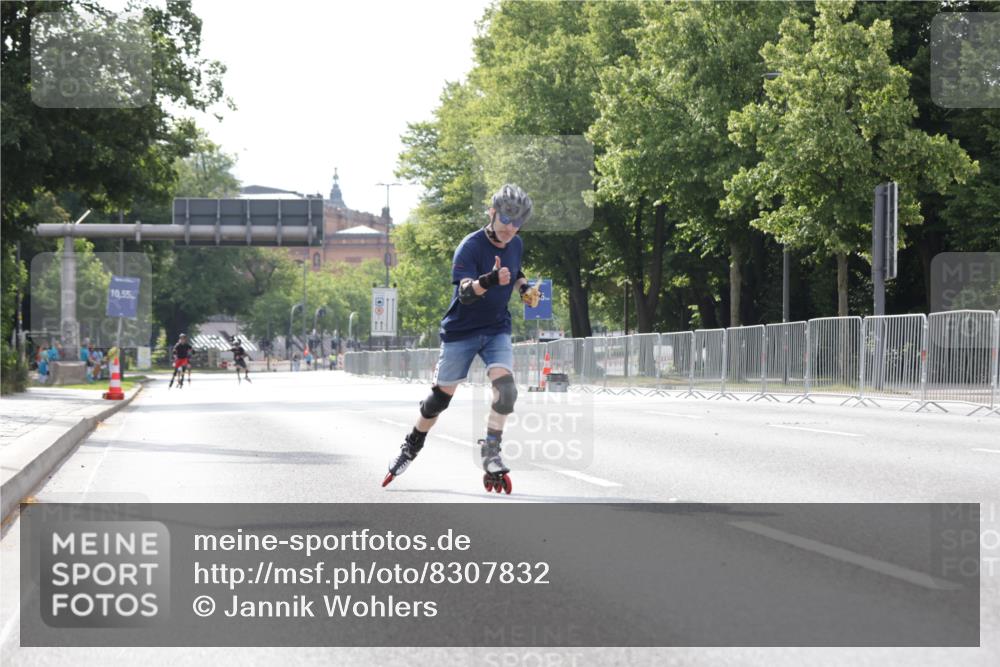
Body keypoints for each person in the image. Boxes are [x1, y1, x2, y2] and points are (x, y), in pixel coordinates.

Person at [382, 184, 541, 494]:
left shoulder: (516, 242)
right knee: (439, 400)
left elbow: (517, 269)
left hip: (496, 328)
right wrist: (491, 280)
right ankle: (411, 446)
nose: (511, 228)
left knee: (507, 391)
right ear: (492, 213)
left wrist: (524, 289)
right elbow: (466, 293)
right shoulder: (469, 247)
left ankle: (491, 451)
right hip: (461, 331)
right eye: (506, 219)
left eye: (518, 222)